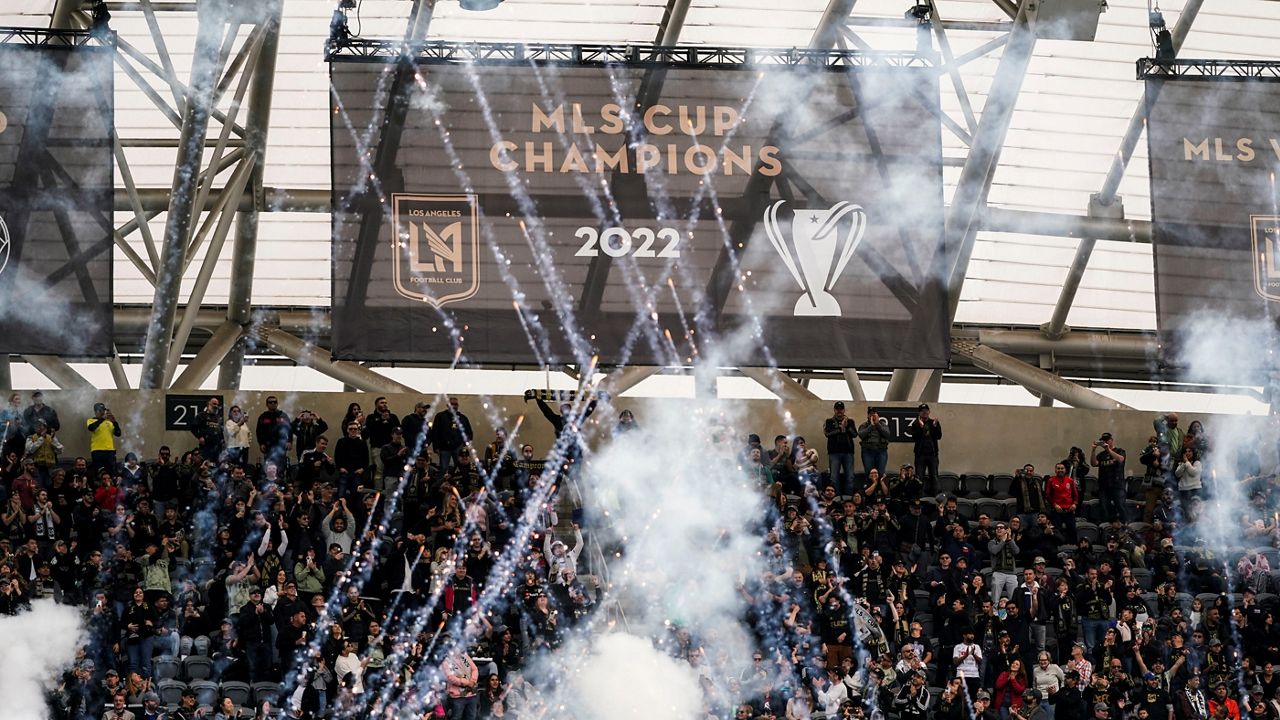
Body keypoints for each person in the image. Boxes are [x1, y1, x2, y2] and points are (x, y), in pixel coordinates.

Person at [430, 397, 475, 475]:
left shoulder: (463, 418)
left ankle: (460, 485)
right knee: (443, 469)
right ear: (447, 405)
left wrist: (465, 445)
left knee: (461, 468)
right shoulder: (440, 416)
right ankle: (443, 486)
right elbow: (435, 432)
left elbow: (469, 433)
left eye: (456, 404)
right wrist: (436, 447)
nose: (454, 406)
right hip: (444, 448)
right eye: (452, 404)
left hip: (458, 448)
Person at [1091, 433, 1127, 522]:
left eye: (1107, 440)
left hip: (1117, 485)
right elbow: (1094, 463)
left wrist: (1108, 450)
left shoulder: (1120, 451)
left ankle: (1123, 525)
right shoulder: (1101, 455)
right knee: (1104, 508)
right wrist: (1093, 450)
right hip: (1104, 486)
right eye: (1103, 440)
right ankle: (1106, 526)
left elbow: (1121, 459)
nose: (1105, 442)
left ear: (1111, 440)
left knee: (1120, 506)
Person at [824, 402, 857, 495]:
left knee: (850, 477)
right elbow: (827, 433)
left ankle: (849, 499)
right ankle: (836, 499)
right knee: (834, 477)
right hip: (834, 453)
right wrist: (840, 428)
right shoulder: (829, 421)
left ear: (844, 410)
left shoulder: (850, 421)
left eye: (841, 409)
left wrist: (847, 427)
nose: (839, 411)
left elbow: (855, 434)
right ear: (834, 410)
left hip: (848, 453)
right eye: (837, 409)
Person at [909, 404, 941, 492]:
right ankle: (920, 499)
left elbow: (938, 436)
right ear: (919, 413)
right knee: (919, 477)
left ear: (929, 412)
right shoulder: (915, 424)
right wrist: (921, 427)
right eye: (923, 411)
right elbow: (915, 438)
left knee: (934, 476)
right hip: (920, 456)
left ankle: (936, 498)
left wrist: (934, 427)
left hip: (933, 455)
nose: (925, 413)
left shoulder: (934, 422)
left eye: (926, 411)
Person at [442, 645, 479, 720]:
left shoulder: (465, 656)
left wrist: (473, 680)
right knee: (456, 718)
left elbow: (475, 669)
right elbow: (450, 678)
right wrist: (467, 683)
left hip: (471, 693)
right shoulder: (446, 662)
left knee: (472, 717)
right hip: (457, 696)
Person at [857, 408, 891, 488]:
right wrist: (871, 426)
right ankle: (870, 494)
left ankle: (880, 494)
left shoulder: (883, 424)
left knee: (881, 473)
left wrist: (877, 424)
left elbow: (887, 435)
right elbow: (861, 435)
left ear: (877, 415)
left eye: (874, 414)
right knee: (869, 473)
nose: (872, 415)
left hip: (881, 451)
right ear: (867, 415)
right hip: (867, 452)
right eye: (870, 414)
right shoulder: (864, 425)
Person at [86, 402, 121, 478]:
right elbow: (91, 428)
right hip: (97, 450)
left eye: (103, 410)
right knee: (99, 473)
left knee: (111, 473)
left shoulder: (109, 422)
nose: (102, 412)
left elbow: (118, 433)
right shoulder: (91, 420)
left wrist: (114, 422)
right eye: (100, 410)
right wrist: (102, 419)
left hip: (110, 451)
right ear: (96, 412)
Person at [256, 395, 292, 466]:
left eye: (275, 402)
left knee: (281, 466)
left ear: (277, 403)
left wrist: (289, 441)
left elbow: (289, 429)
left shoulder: (283, 415)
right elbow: (259, 431)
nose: (273, 404)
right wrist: (261, 443)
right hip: (268, 446)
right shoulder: (263, 416)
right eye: (270, 402)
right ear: (267, 404)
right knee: (269, 467)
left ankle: (280, 477)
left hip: (281, 445)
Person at [190, 396, 224, 464]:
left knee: (216, 467)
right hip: (206, 447)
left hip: (217, 447)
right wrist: (199, 437)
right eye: (214, 404)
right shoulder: (201, 415)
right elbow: (193, 427)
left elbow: (220, 431)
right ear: (209, 404)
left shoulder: (218, 418)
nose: (216, 406)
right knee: (206, 465)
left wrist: (222, 441)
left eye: (217, 404)